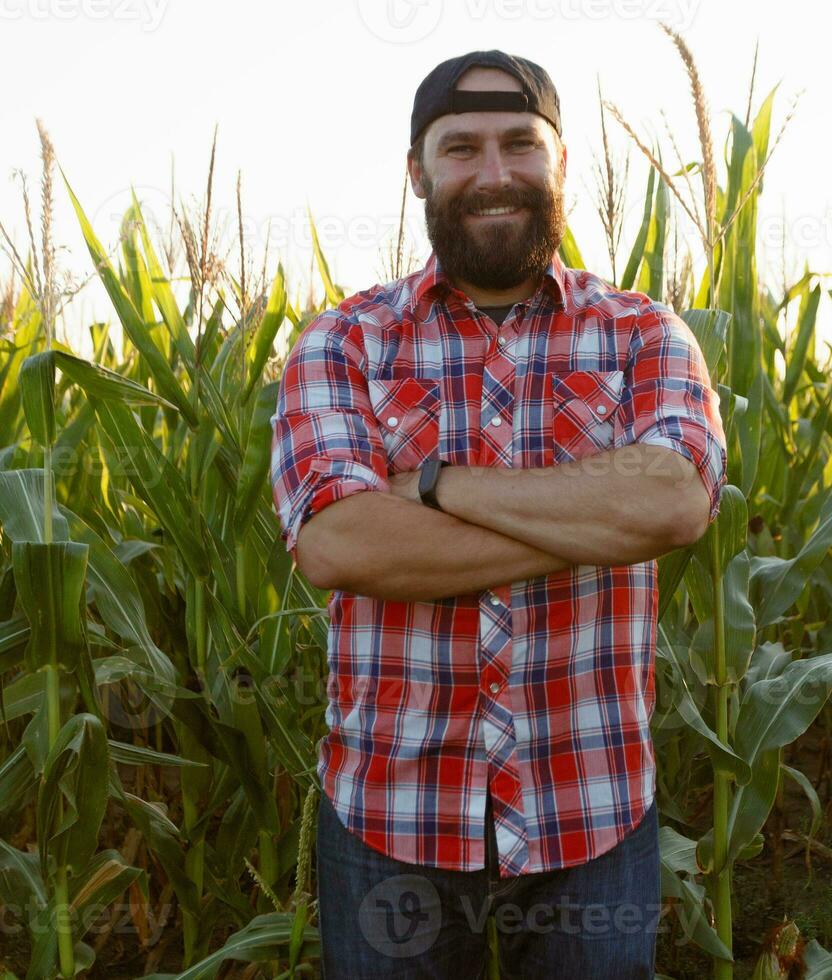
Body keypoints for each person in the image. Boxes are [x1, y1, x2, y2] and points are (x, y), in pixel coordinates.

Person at [267, 49, 727, 978]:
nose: (493, 174)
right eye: (461, 148)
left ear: (560, 165)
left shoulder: (643, 334)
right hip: (391, 816)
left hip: (589, 808)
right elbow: (338, 540)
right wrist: (591, 518)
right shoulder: (345, 342)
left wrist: (438, 486)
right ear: (417, 172)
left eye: (520, 144)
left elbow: (673, 501)